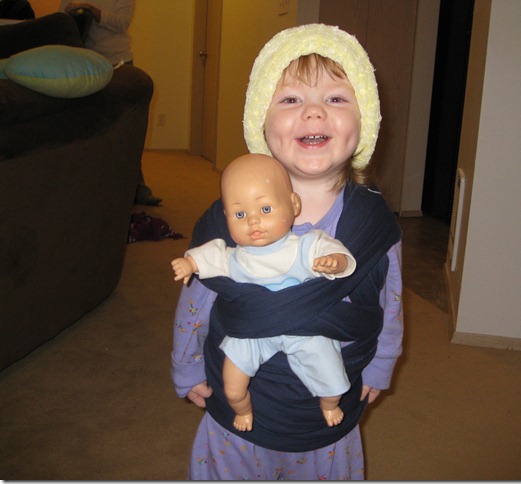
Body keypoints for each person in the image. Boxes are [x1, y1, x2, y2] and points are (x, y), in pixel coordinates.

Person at [171, 23, 403, 480]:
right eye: (291, 99)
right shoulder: (228, 219)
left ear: (366, 121)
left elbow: (389, 303)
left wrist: (381, 364)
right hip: (240, 410)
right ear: (261, 121)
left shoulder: (374, 223)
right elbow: (196, 301)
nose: (314, 112)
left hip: (326, 417)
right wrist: (186, 364)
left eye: (336, 98)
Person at [172, 153, 357, 431]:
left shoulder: (305, 246)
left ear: (293, 205)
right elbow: (208, 255)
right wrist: (189, 263)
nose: (253, 221)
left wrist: (335, 262)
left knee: (332, 377)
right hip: (251, 334)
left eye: (265, 209)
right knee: (232, 386)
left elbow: (338, 254)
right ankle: (243, 411)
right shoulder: (234, 257)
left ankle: (329, 404)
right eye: (240, 214)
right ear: (226, 217)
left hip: (304, 330)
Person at [59, 0, 162, 207]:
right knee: (91, 128)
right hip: (87, 63)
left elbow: (121, 23)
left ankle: (138, 189)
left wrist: (92, 10)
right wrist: (72, 10)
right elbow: (61, 19)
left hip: (118, 62)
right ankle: (95, 188)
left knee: (126, 128)